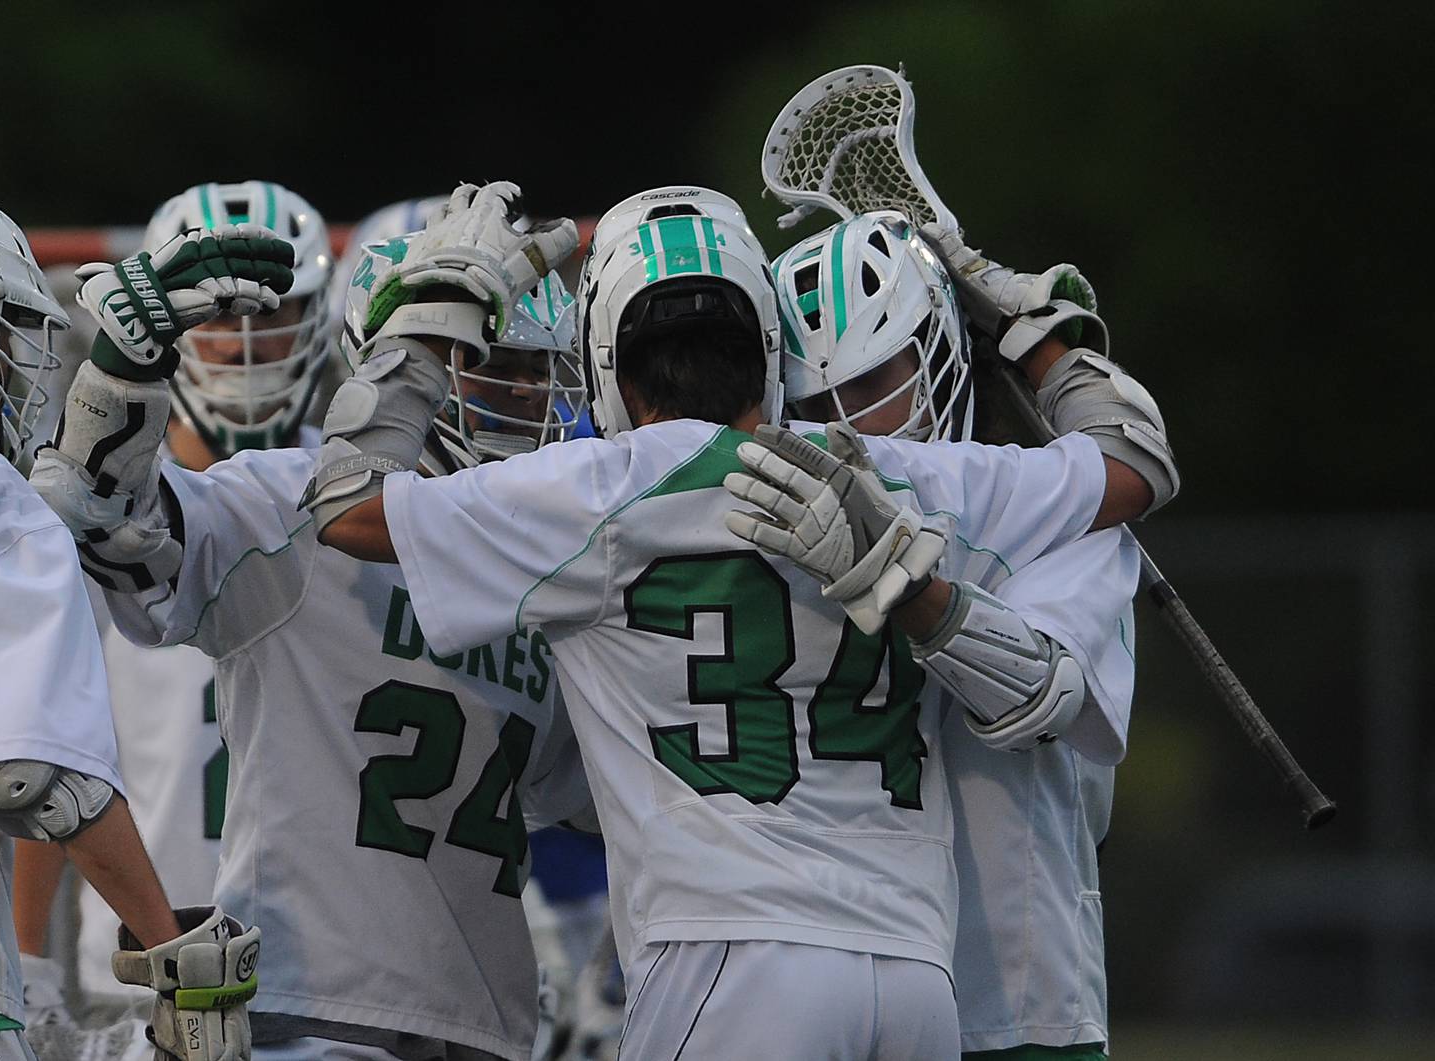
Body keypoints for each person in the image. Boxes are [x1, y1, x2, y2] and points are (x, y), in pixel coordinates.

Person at [302, 182, 1154, 1058]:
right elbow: (1133, 459)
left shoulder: (592, 488)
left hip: (727, 953)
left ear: (604, 356)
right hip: (914, 969)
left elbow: (345, 502)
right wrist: (1042, 334)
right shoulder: (898, 472)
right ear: (769, 337)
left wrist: (426, 319)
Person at [31, 186, 591, 1061]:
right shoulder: (288, 503)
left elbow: (586, 795)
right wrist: (121, 372)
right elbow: (111, 524)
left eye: (536, 370)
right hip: (306, 1005)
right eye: (488, 365)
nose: (522, 396)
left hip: (483, 1016)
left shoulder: (540, 559)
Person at [766, 209, 1175, 1059]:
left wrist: (904, 583)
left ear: (942, 355)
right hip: (833, 989)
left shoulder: (1062, 520)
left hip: (1015, 1004)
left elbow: (1035, 694)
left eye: (878, 382)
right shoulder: (770, 525)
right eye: (816, 401)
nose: (852, 423)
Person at [12, 180, 335, 1020]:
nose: (245, 346)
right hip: (155, 945)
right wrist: (30, 954)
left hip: (330, 951)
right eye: (221, 318)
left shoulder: (352, 495)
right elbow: (46, 740)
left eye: (272, 314)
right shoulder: (84, 509)